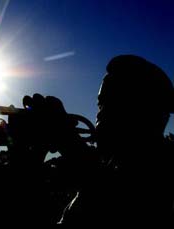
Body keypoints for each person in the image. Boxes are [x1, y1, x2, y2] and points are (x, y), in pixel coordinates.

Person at [57, 54, 174, 226]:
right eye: (101, 104)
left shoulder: (159, 171)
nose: (101, 113)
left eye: (118, 103)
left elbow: (112, 198)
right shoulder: (110, 167)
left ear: (152, 114)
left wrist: (67, 142)